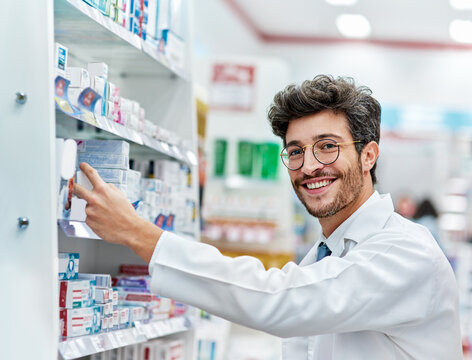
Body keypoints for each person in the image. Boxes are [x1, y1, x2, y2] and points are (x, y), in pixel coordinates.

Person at [75, 75, 462, 359]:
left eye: (327, 147)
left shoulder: (404, 252)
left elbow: (279, 301)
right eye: (295, 151)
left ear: (368, 155)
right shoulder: (328, 254)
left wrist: (140, 234)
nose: (309, 166)